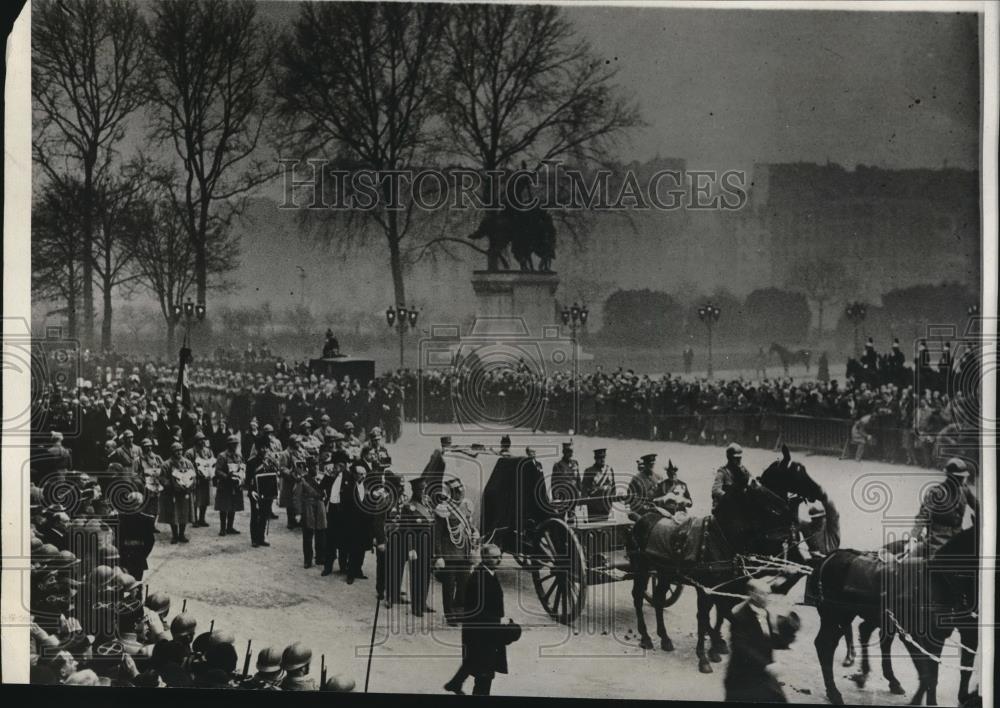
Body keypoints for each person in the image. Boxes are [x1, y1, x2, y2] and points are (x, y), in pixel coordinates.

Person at [444, 544, 512, 696]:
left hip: (483, 632)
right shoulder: (478, 579)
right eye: (495, 557)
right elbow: (475, 613)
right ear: (485, 558)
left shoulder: (488, 573)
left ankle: (454, 684)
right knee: (484, 675)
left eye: (500, 556)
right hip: (481, 632)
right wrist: (499, 621)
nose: (499, 560)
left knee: (473, 661)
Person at [724, 578, 800, 703]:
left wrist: (785, 643)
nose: (769, 597)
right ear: (753, 595)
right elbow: (741, 647)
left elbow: (765, 639)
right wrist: (767, 665)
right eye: (765, 594)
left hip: (761, 674)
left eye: (769, 593)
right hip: (742, 677)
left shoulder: (765, 612)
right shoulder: (740, 617)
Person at [910, 457, 979, 557]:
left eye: (962, 477)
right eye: (958, 477)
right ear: (950, 477)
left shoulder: (964, 490)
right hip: (938, 543)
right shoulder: (936, 493)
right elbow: (922, 517)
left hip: (958, 539)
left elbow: (978, 507)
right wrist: (914, 537)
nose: (961, 480)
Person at [433, 480, 476, 626]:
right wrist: (439, 555)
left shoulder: (466, 506)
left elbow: (469, 526)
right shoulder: (442, 509)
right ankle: (450, 614)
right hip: (449, 554)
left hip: (464, 552)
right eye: (456, 491)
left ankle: (460, 611)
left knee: (464, 584)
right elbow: (437, 535)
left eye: (460, 490)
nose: (459, 493)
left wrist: (475, 533)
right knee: (449, 586)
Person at [399, 477, 435, 617]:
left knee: (426, 576)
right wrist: (410, 548)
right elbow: (406, 529)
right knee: (417, 576)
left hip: (428, 546)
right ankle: (416, 606)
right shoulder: (409, 507)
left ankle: (423, 603)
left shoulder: (428, 505)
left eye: (425, 489)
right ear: (415, 491)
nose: (424, 492)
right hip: (417, 546)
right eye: (421, 490)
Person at [321, 436, 351, 575]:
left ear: (345, 465)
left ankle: (343, 565)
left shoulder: (349, 477)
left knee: (344, 540)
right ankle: (328, 566)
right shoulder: (330, 475)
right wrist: (328, 476)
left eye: (341, 464)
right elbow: (321, 487)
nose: (338, 467)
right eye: (336, 464)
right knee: (330, 540)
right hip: (331, 510)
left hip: (344, 512)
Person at [294, 457, 328, 569]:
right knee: (308, 535)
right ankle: (307, 560)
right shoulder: (303, 479)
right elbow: (297, 496)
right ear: (308, 467)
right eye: (313, 465)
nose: (316, 467)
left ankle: (320, 557)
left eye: (317, 465)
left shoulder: (323, 477)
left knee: (321, 533)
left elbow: (327, 492)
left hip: (320, 507)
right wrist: (298, 513)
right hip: (308, 508)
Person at [160, 442, 196, 544]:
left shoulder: (188, 463)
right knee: (173, 514)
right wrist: (171, 485)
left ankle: (182, 534)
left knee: (184, 513)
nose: (179, 452)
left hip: (185, 492)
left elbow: (193, 475)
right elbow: (162, 478)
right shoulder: (166, 464)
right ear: (172, 452)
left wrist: (190, 484)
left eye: (180, 450)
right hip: (172, 493)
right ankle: (175, 535)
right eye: (176, 450)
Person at [117, 491, 156, 581]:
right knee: (136, 582)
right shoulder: (147, 519)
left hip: (123, 554)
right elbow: (150, 541)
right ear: (140, 504)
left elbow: (116, 538)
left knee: (122, 581)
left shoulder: (120, 518)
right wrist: (143, 555)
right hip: (138, 555)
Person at [214, 434, 246, 536]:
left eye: (236, 444)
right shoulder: (222, 456)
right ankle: (222, 528)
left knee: (233, 505)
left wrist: (241, 476)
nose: (235, 446)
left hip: (235, 484)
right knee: (224, 507)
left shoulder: (238, 456)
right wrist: (227, 476)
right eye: (233, 444)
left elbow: (242, 467)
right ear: (228, 445)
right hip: (225, 484)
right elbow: (217, 471)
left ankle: (230, 527)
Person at [185, 432, 215, 528]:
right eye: (200, 440)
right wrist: (195, 474)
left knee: (205, 499)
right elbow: (187, 465)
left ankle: (202, 518)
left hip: (206, 479)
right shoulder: (190, 452)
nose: (202, 442)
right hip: (196, 479)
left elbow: (212, 462)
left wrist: (210, 472)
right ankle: (194, 519)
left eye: (203, 440)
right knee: (195, 500)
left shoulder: (208, 451)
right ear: (196, 441)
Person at [711, 443, 752, 511]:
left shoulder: (743, 470)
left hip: (739, 505)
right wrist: (729, 497)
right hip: (724, 507)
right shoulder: (722, 472)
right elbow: (715, 490)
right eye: (736, 458)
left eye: (740, 458)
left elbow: (751, 481)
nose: (739, 461)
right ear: (730, 458)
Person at [581, 448, 616, 521]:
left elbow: (613, 488)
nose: (602, 459)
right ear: (595, 459)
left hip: (606, 504)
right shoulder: (589, 471)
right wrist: (583, 505)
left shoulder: (609, 469)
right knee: (593, 527)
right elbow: (584, 489)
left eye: (603, 457)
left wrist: (611, 501)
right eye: (600, 457)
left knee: (605, 527)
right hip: (593, 505)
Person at [550, 441, 581, 514]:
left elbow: (578, 479)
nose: (570, 454)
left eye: (571, 452)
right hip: (563, 496)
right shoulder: (558, 465)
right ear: (564, 452)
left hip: (574, 496)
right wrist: (556, 498)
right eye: (568, 452)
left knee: (573, 517)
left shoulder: (575, 463)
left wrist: (580, 493)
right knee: (562, 516)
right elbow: (554, 483)